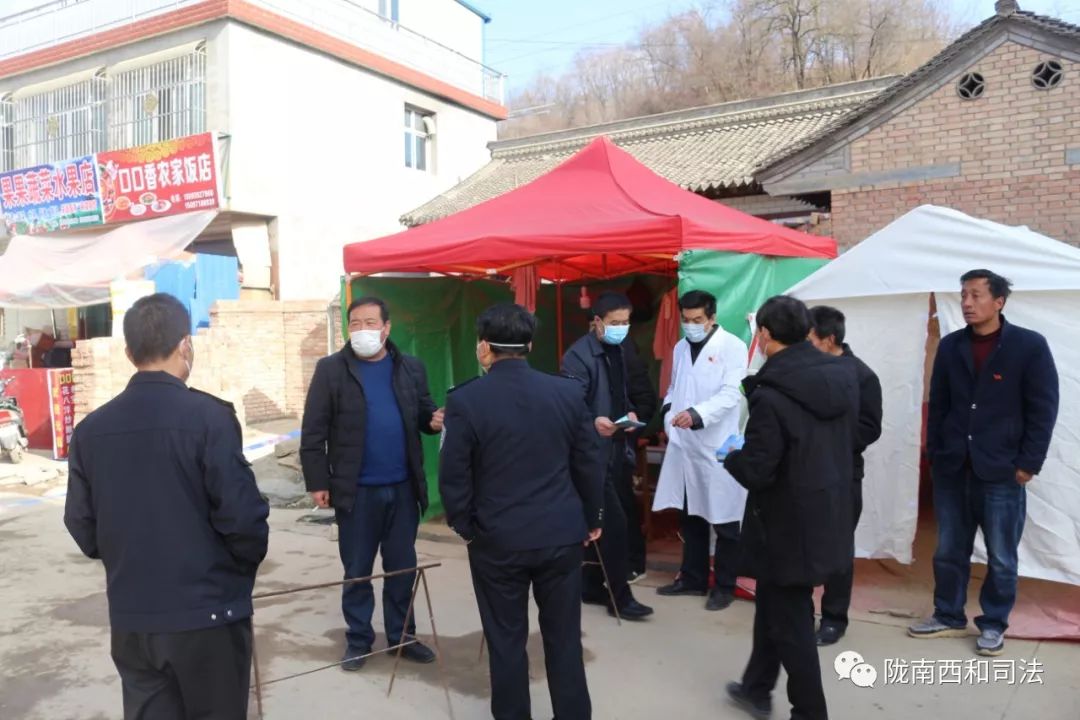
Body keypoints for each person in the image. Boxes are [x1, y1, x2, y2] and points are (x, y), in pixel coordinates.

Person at [64, 293, 269, 720]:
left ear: (128, 353)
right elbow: (243, 519)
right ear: (185, 345)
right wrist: (233, 574)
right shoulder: (209, 418)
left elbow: (82, 525)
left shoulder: (90, 430)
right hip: (208, 615)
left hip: (134, 618)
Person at [440, 303, 604, 720]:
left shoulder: (466, 400)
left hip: (497, 539)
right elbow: (588, 462)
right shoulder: (566, 392)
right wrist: (591, 519)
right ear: (529, 345)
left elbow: (454, 475)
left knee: (506, 640)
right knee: (564, 637)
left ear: (484, 347)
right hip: (560, 535)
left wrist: (466, 528)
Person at [909, 269, 1059, 657]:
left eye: (976, 295)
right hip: (953, 469)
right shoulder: (952, 346)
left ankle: (993, 623)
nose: (967, 303)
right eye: (963, 295)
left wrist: (1028, 463)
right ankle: (948, 614)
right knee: (948, 550)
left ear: (999, 301)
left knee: (1002, 557)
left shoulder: (1029, 346)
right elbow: (939, 404)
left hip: (1002, 471)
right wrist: (935, 452)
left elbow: (1043, 409)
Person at [722, 295, 858, 720]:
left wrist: (733, 456)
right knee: (774, 603)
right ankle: (756, 688)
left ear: (764, 334)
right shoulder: (842, 375)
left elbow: (758, 470)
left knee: (792, 621)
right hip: (827, 508)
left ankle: (810, 711)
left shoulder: (772, 393)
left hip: (786, 523)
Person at [300, 296, 444, 671]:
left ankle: (402, 637)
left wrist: (433, 420)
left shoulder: (410, 367)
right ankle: (359, 641)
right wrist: (318, 481)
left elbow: (423, 412)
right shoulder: (331, 370)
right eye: (355, 323)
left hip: (402, 488)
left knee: (401, 568)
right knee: (358, 570)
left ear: (386, 328)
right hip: (356, 491)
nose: (362, 330)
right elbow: (313, 431)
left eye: (370, 323)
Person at [561, 291, 656, 620]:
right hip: (590, 452)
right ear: (597, 322)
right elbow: (571, 405)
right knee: (613, 523)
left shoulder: (621, 349)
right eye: (615, 323)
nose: (621, 328)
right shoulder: (577, 357)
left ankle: (590, 586)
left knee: (603, 520)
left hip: (617, 446)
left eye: (625, 322)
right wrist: (593, 421)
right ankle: (621, 598)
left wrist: (630, 414)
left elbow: (623, 392)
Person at [653, 290, 749, 612]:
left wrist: (697, 414)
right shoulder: (681, 347)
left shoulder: (732, 347)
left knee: (725, 519)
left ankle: (724, 586)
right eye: (686, 319)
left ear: (712, 318)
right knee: (691, 514)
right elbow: (674, 387)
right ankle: (692, 579)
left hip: (719, 443)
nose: (691, 325)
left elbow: (731, 394)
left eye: (698, 320)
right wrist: (669, 412)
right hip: (685, 444)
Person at [808, 305, 883, 645]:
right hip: (804, 471)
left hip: (841, 472)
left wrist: (829, 441)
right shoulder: (805, 371)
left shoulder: (862, 376)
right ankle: (800, 611)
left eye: (809, 338)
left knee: (838, 548)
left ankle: (834, 618)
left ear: (829, 339)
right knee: (802, 543)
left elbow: (870, 427)